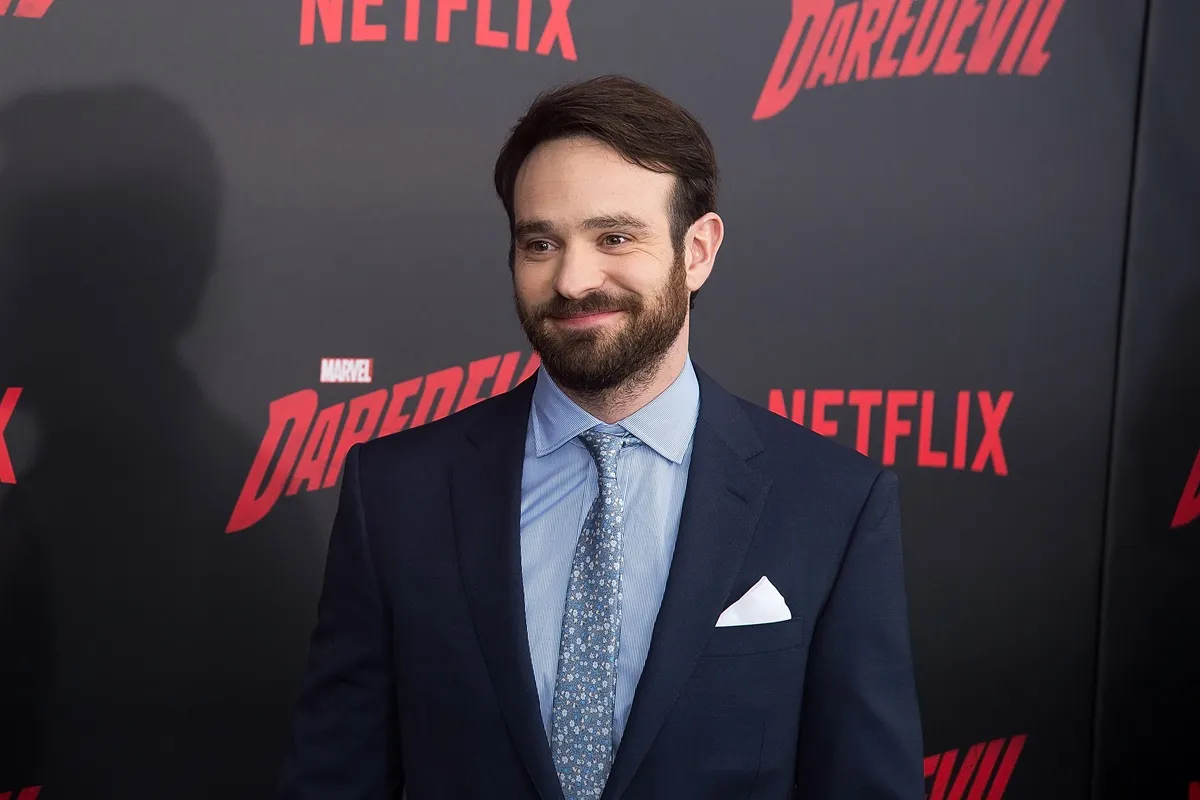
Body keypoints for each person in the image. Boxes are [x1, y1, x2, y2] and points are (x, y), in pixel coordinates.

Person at [276, 74, 924, 800]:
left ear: (698, 250)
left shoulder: (832, 502)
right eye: (541, 243)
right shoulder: (397, 492)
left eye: (614, 236)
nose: (574, 279)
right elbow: (335, 779)